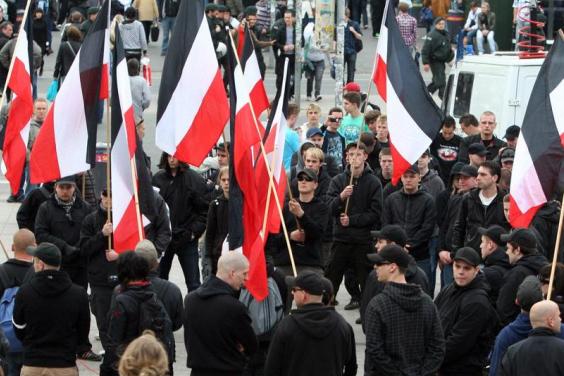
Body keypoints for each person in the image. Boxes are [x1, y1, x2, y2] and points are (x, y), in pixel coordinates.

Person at [364, 245, 444, 375]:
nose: (375, 267)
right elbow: (438, 348)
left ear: (392, 267)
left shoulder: (377, 305)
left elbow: (374, 349)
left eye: (379, 263)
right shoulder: (428, 303)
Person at [13, 243, 90, 376]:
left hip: (33, 364)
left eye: (34, 261)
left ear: (41, 264)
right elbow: (83, 333)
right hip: (65, 365)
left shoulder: (24, 292)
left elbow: (19, 329)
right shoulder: (79, 293)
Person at [264, 271, 357, 376]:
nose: (292, 293)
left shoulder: (286, 326)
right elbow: (351, 367)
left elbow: (271, 369)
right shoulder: (343, 326)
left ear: (304, 295)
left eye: (294, 290)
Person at [325, 142, 383, 307]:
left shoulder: (373, 182)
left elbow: (375, 213)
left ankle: (368, 315)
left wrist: (353, 220)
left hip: (362, 241)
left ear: (365, 156)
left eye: (358, 154)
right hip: (341, 240)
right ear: (346, 157)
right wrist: (341, 197)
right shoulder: (338, 180)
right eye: (351, 155)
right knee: (330, 280)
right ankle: (324, 313)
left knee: (366, 283)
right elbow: (329, 208)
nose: (355, 158)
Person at [184, 252, 257, 376]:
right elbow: (251, 346)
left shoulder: (190, 300)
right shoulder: (235, 308)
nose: (247, 278)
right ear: (232, 273)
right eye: (244, 273)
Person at [103, 251, 173, 376]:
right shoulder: (154, 298)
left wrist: (105, 371)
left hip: (129, 365)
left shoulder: (121, 301)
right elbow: (167, 337)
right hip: (151, 364)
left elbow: (113, 342)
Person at [434, 247, 499, 375]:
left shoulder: (477, 302)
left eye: (466, 268)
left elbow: (458, 343)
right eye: (457, 266)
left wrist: (432, 360)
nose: (460, 272)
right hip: (442, 363)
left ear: (476, 270)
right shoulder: (449, 289)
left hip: (461, 369)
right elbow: (432, 319)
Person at [152, 153, 209, 291]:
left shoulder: (194, 179)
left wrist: (193, 233)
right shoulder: (157, 179)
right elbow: (151, 209)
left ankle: (192, 311)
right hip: (164, 238)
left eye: (175, 156)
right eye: (169, 156)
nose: (171, 159)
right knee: (158, 280)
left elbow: (204, 210)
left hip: (186, 237)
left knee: (194, 283)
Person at [488, 276, 564, 375]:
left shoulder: (505, 336)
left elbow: (496, 371)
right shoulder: (560, 330)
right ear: (542, 299)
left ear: (516, 301)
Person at [360, 225, 431, 326]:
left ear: (392, 245)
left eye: (380, 242)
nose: (376, 246)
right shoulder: (421, 275)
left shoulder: (376, 275)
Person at [78, 189, 118, 363]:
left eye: (112, 196)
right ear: (101, 197)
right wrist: (102, 235)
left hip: (121, 277)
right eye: (106, 196)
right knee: (103, 319)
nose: (109, 200)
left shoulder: (125, 216)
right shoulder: (90, 220)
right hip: (99, 279)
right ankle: (110, 357)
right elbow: (84, 248)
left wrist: (120, 255)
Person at [135, 240, 183, 372]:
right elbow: (177, 323)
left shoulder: (121, 290)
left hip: (134, 355)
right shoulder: (173, 290)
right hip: (163, 354)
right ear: (156, 263)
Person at [383, 164, 436, 282]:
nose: (408, 179)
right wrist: (398, 245)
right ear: (401, 178)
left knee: (422, 289)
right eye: (405, 176)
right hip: (395, 254)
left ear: (419, 178)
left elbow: (428, 227)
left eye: (412, 176)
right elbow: (386, 225)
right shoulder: (391, 199)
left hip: (420, 256)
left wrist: (409, 244)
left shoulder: (428, 200)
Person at [270, 169, 329, 275]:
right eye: (300, 179)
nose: (303, 181)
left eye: (308, 179)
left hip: (310, 264)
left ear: (315, 185)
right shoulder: (286, 207)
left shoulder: (322, 207)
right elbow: (273, 238)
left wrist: (301, 215)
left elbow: (318, 233)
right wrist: (290, 236)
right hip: (285, 262)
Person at [452, 161, 509, 253]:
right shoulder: (468, 198)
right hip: (471, 256)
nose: (478, 178)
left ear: (494, 178)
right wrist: (456, 253)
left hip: (497, 258)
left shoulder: (505, 200)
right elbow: (459, 228)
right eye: (478, 174)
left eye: (483, 175)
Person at [497, 228, 549, 325]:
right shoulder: (545, 268)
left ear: (517, 250)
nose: (506, 252)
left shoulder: (516, 274)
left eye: (508, 248)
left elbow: (504, 309)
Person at [0, 229, 34, 376]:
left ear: (13, 247)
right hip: (32, 340)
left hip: (6, 338)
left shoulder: (1, 271)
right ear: (34, 247)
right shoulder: (38, 273)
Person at [499, 300, 564, 375]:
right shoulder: (562, 349)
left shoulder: (513, 352)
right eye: (558, 316)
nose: (560, 319)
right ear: (551, 321)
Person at [205, 166, 229, 276]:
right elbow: (210, 233)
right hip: (218, 254)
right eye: (224, 180)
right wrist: (208, 257)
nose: (226, 183)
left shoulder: (241, 204)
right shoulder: (215, 205)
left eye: (229, 180)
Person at [422, 17, 453, 99]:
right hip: (435, 61)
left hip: (442, 61)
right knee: (440, 81)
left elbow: (447, 47)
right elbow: (425, 50)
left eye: (443, 24)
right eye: (439, 24)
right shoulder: (432, 35)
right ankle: (441, 97)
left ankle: (429, 94)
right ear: (435, 25)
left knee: (439, 80)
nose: (441, 25)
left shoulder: (445, 34)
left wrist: (450, 58)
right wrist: (425, 63)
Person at [478, 225, 511, 303]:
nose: (480, 246)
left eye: (482, 242)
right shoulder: (508, 264)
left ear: (490, 245)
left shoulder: (489, 273)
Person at [430, 116, 462, 183]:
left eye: (450, 133)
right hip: (438, 174)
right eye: (444, 133)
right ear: (441, 128)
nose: (447, 136)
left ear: (454, 129)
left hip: (453, 175)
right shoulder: (435, 139)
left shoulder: (460, 141)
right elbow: (432, 157)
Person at [274, 9, 295, 96]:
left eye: (289, 18)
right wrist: (283, 47)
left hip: (293, 56)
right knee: (282, 76)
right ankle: (282, 94)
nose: (287, 20)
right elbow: (276, 43)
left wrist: (295, 46)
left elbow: (302, 42)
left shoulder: (297, 28)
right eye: (285, 18)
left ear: (293, 18)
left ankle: (291, 93)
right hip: (283, 56)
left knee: (293, 76)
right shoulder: (281, 29)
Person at [344, 8, 362, 83]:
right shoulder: (338, 25)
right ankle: (342, 87)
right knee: (339, 72)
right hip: (341, 52)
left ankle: (349, 90)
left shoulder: (354, 24)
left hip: (352, 52)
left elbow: (359, 36)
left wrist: (354, 31)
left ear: (347, 16)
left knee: (351, 73)